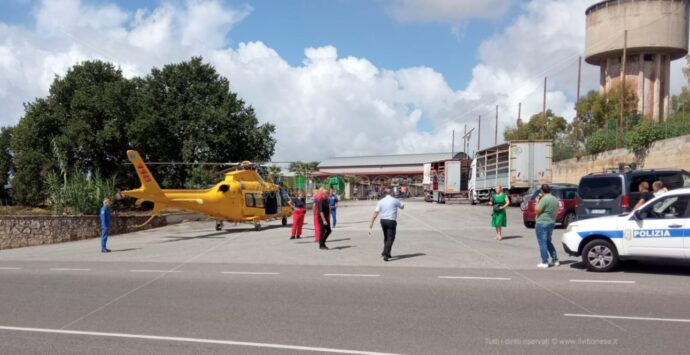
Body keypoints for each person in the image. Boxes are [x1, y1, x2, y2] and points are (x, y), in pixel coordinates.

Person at [369, 187, 405, 261]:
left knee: (386, 237)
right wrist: (400, 203)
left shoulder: (381, 201)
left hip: (383, 221)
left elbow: (376, 212)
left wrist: (372, 222)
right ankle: (385, 253)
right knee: (391, 238)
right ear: (391, 193)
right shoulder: (395, 200)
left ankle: (388, 253)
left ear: (385, 194)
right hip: (391, 221)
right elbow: (402, 207)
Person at [534, 184, 559, 268]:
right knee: (548, 242)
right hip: (551, 222)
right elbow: (556, 211)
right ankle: (555, 260)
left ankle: (544, 262)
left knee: (542, 243)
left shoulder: (544, 199)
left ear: (542, 191)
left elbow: (537, 211)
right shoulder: (555, 199)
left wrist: (537, 202)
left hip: (542, 223)